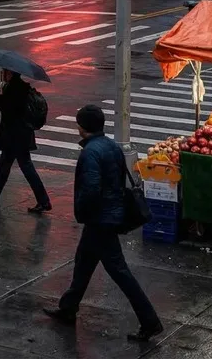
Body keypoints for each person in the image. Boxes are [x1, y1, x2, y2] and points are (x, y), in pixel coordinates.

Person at [43, 105, 162, 342]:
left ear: (81, 127)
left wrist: (84, 213)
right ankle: (68, 307)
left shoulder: (90, 153)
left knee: (119, 271)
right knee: (84, 262)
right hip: (109, 215)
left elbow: (91, 190)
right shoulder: (111, 146)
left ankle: (150, 321)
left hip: (100, 220)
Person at [0, 70, 52, 213]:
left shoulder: (15, 89)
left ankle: (44, 201)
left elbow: (8, 110)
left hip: (17, 138)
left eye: (4, 72)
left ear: (10, 73)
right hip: (15, 137)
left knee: (26, 168)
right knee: (4, 166)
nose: (2, 74)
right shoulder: (18, 86)